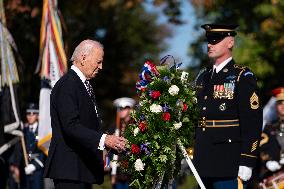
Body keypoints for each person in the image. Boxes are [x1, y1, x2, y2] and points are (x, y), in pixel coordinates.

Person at [44, 39, 127, 189]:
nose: (101, 67)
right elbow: (71, 126)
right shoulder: (68, 84)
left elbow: (87, 125)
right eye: (98, 61)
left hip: (81, 169)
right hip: (69, 170)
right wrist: (103, 139)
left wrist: (110, 142)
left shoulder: (83, 85)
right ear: (83, 58)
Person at [193, 24, 263, 188]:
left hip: (228, 163)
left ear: (230, 43)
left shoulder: (242, 76)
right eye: (209, 41)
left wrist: (247, 159)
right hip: (203, 162)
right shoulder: (203, 76)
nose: (210, 45)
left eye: (215, 40)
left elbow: (252, 122)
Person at [258, 87, 284, 181]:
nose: (283, 106)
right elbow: (262, 148)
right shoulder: (269, 128)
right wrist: (268, 161)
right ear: (275, 106)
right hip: (276, 175)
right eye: (280, 103)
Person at [111, 97, 135, 189]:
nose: (121, 110)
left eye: (124, 108)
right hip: (117, 173)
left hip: (131, 171)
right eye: (120, 108)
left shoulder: (135, 127)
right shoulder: (114, 127)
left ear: (130, 109)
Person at [22, 103, 45, 189]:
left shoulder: (42, 131)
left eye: (33, 114)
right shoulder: (23, 131)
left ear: (37, 115)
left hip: (38, 170)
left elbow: (45, 151)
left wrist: (35, 165)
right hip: (25, 169)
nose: (30, 116)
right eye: (28, 114)